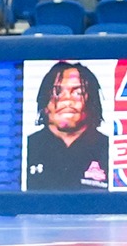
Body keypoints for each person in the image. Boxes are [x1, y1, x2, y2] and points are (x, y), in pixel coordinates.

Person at [24, 61, 109, 191]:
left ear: (93, 101)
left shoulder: (110, 149)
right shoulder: (25, 148)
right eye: (57, 92)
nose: (67, 101)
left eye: (78, 92)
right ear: (44, 103)